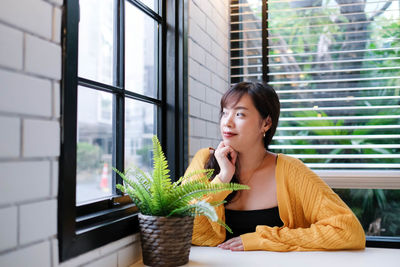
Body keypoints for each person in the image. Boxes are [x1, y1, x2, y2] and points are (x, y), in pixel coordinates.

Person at [185, 81, 366, 251]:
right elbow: (183, 227)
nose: (227, 122)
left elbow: (349, 231)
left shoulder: (290, 170)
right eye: (225, 112)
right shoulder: (204, 161)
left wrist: (263, 239)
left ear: (266, 123)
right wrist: (222, 179)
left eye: (239, 114)